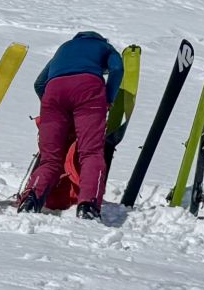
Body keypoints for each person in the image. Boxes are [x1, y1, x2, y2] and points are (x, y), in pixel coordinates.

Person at [16, 30, 125, 220]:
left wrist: (56, 112)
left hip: (53, 93)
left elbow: (39, 84)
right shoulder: (105, 47)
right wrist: (107, 99)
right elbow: (117, 69)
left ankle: (31, 199)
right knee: (90, 153)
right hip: (88, 90)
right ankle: (88, 205)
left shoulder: (64, 48)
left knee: (50, 159)